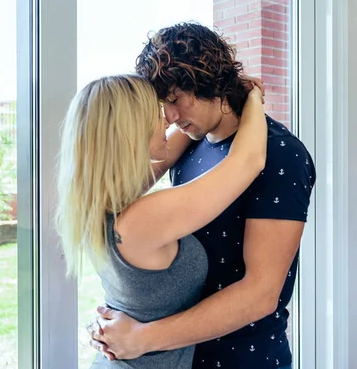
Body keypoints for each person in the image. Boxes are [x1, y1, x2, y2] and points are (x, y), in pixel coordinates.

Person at [87, 23, 316, 369]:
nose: (170, 117)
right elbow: (118, 186)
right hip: (180, 355)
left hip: (244, 359)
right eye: (163, 104)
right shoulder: (187, 143)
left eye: (175, 99)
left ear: (210, 82)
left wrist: (141, 337)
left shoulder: (281, 154)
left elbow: (261, 295)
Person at [55, 73, 267, 368]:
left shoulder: (99, 204)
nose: (168, 120)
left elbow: (170, 149)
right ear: (131, 131)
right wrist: (254, 97)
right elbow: (248, 160)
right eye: (157, 114)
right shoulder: (143, 219)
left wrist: (218, 100)